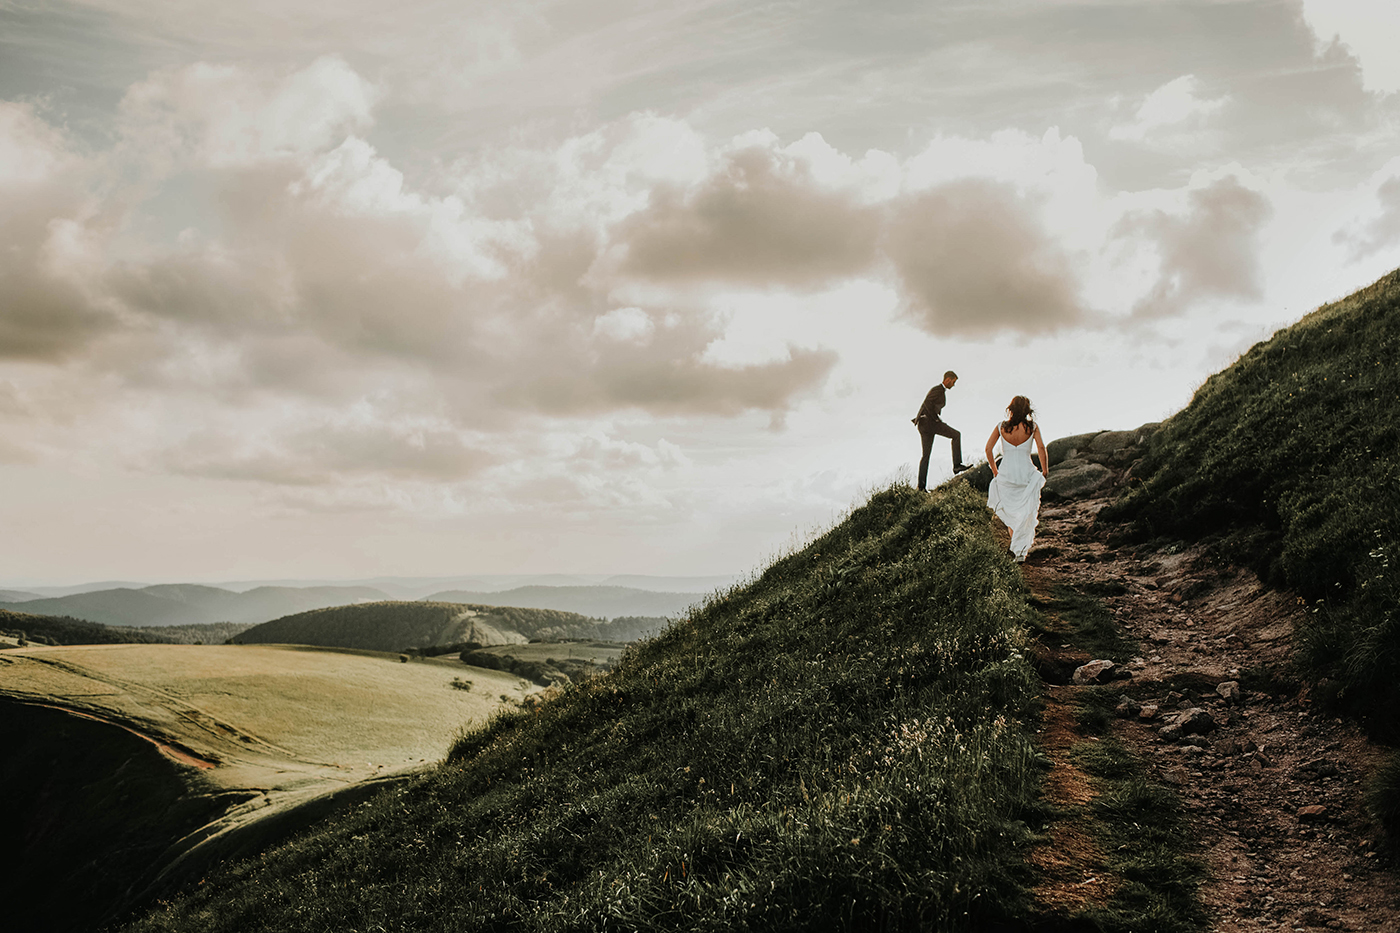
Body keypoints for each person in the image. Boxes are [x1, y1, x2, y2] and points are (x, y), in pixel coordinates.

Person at [985, 396, 1049, 563]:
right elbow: (1041, 448)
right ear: (1027, 410)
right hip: (1026, 474)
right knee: (1025, 513)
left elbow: (988, 449)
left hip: (1007, 474)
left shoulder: (1001, 427)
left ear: (1011, 409)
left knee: (1012, 513)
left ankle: (1016, 549)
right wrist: (1045, 469)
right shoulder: (1032, 427)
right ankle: (1019, 551)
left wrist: (994, 470)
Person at [912, 370, 970, 489]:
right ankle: (957, 465)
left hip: (925, 425)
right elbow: (927, 403)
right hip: (929, 423)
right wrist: (936, 419)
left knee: (925, 456)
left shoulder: (939, 390)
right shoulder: (938, 389)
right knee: (956, 435)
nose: (953, 385)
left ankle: (921, 487)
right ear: (948, 380)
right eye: (953, 382)